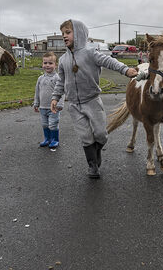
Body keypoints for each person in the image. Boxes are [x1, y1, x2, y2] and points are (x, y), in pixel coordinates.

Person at [51, 19, 138, 179]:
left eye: (68, 32)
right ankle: (92, 165)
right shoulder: (63, 60)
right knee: (85, 136)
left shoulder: (90, 53)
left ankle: (96, 149)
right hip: (74, 104)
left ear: (79, 33)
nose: (64, 36)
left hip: (92, 100)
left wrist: (125, 70)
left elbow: (109, 61)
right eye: (63, 33)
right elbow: (60, 81)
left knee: (101, 134)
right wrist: (56, 97)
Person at [33, 51, 64, 150]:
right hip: (43, 107)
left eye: (50, 63)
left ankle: (55, 139)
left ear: (55, 65)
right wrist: (36, 103)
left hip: (54, 108)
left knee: (53, 124)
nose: (47, 65)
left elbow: (61, 92)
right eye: (45, 63)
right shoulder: (40, 79)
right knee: (45, 124)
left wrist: (60, 104)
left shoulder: (57, 78)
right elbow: (37, 92)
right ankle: (47, 138)